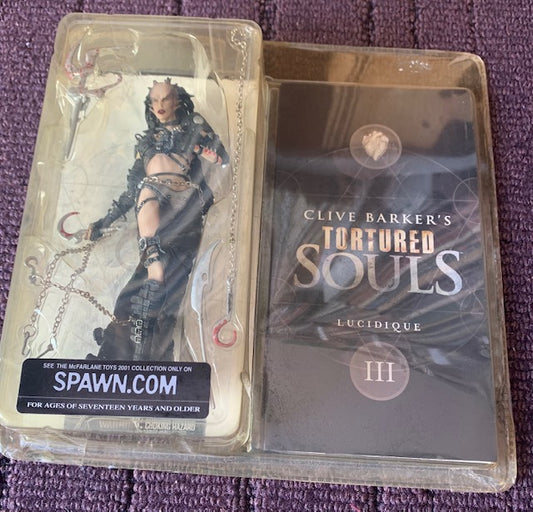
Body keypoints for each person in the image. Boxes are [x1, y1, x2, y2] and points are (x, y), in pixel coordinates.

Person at [86, 78, 228, 361]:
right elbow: (132, 190)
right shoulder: (146, 142)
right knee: (146, 282)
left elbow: (222, 159)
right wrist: (105, 222)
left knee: (169, 292)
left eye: (166, 98)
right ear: (149, 106)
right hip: (152, 198)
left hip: (184, 207)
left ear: (177, 101)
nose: (160, 105)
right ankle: (122, 351)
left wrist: (199, 147)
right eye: (155, 100)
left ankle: (149, 356)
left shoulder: (194, 129)